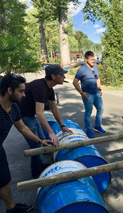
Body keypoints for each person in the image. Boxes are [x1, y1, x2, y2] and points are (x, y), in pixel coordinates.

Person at [0, 74, 53, 212]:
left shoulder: (15, 108)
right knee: (3, 178)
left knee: (4, 178)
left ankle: (11, 207)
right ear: (9, 91)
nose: (24, 95)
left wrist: (40, 140)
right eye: (21, 91)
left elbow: (22, 128)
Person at [19, 65, 73, 179]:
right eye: (62, 74)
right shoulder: (40, 87)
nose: (64, 76)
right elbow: (39, 113)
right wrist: (51, 133)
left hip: (30, 115)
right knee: (36, 146)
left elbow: (54, 109)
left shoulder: (49, 88)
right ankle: (36, 175)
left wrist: (62, 126)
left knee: (43, 139)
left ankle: (40, 164)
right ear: (53, 76)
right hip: (23, 117)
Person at [73, 51, 105, 138]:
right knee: (88, 113)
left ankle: (97, 126)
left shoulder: (95, 68)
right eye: (91, 60)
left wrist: (99, 88)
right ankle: (88, 130)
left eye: (94, 59)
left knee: (101, 109)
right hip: (88, 95)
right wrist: (81, 93)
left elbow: (97, 78)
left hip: (96, 93)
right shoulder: (82, 69)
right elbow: (75, 82)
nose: (93, 61)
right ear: (86, 59)